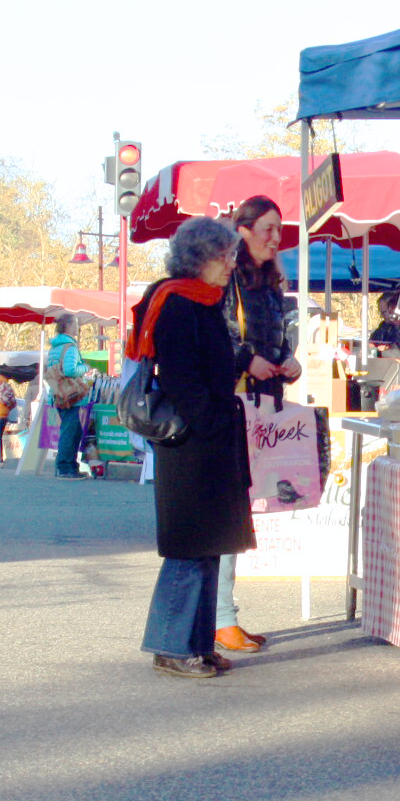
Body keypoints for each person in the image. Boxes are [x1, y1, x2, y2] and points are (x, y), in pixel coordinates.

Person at [134, 217, 254, 678]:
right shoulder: (179, 304)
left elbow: (213, 367)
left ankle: (197, 643)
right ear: (198, 258)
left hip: (209, 438)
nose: (230, 265)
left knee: (210, 546)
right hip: (190, 442)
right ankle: (171, 644)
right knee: (190, 548)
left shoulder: (202, 301)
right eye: (223, 256)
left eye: (231, 257)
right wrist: (211, 422)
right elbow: (183, 378)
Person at [211, 195, 299, 652]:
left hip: (259, 405)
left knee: (238, 513)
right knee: (228, 514)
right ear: (242, 229)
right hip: (234, 405)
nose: (274, 237)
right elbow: (222, 336)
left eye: (278, 229)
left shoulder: (267, 282)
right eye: (266, 228)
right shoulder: (228, 277)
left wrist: (287, 360)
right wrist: (251, 359)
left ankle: (225, 615)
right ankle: (221, 617)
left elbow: (279, 335)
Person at [44, 312, 88, 478]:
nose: (77, 327)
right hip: (72, 396)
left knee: (67, 431)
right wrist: (85, 368)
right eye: (75, 324)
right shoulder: (70, 348)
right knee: (71, 432)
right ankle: (66, 467)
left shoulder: (55, 348)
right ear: (69, 326)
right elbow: (70, 370)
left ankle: (66, 465)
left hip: (58, 395)